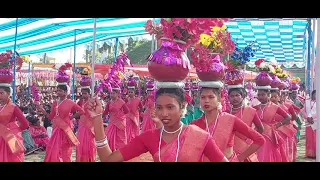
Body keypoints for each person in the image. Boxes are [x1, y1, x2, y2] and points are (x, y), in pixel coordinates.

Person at [88, 87, 228, 162]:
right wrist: (97, 117)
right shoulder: (150, 137)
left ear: (182, 107)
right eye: (159, 108)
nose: (164, 113)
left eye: (170, 107)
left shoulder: (200, 136)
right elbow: (108, 159)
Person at [190, 87, 265, 162]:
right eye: (203, 97)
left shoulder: (230, 120)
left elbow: (259, 139)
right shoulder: (194, 124)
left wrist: (240, 158)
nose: (206, 101)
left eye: (211, 97)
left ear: (219, 99)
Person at [37, 84, 85, 162]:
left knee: (65, 148)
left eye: (60, 90)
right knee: (54, 147)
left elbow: (82, 111)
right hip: (56, 127)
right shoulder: (55, 102)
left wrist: (71, 117)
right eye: (57, 90)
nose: (58, 92)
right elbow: (51, 117)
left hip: (65, 128)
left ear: (66, 92)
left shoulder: (70, 102)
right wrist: (42, 110)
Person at [226, 87, 264, 162]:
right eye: (232, 96)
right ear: (228, 98)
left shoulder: (250, 111)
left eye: (237, 95)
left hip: (245, 147)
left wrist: (251, 140)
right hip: (229, 149)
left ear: (242, 96)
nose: (235, 98)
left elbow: (261, 129)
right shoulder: (225, 113)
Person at [254, 89, 291, 162]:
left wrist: (278, 125)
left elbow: (288, 117)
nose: (260, 97)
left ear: (268, 95)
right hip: (258, 133)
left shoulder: (274, 107)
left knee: (266, 152)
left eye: (263, 95)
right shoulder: (255, 108)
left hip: (269, 135)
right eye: (259, 95)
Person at [0, 86, 29, 162]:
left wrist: (15, 130)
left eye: (1, 93)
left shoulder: (13, 107)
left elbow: (25, 123)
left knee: (12, 158)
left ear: (8, 94)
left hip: (10, 136)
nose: (0, 95)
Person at [103, 83, 129, 152]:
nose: (112, 95)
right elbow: (105, 112)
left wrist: (119, 116)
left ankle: (120, 151)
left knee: (120, 137)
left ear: (117, 94)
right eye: (111, 93)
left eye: (113, 93)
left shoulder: (121, 102)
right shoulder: (109, 103)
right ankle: (111, 150)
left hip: (120, 122)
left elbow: (127, 111)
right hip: (112, 121)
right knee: (109, 135)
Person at [75, 86, 96, 162]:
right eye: (82, 93)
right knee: (80, 143)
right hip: (81, 124)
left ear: (89, 93)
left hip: (89, 125)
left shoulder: (92, 102)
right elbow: (76, 111)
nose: (83, 95)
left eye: (85, 93)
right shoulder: (80, 102)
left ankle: (89, 159)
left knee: (89, 143)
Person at [125, 77, 143, 143]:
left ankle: (135, 141)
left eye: (131, 92)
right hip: (128, 116)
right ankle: (128, 141)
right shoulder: (126, 100)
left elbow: (141, 107)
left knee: (135, 128)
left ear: (134, 92)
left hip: (135, 115)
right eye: (129, 92)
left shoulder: (138, 99)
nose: (130, 93)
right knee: (128, 129)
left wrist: (138, 112)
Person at [303, 90, 316, 158]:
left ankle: (316, 153)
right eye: (314, 94)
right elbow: (304, 111)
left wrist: (312, 118)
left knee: (316, 138)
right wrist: (307, 118)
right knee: (309, 138)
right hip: (308, 122)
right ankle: (310, 153)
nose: (315, 96)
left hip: (316, 122)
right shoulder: (307, 101)